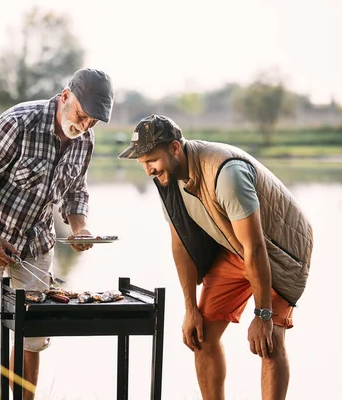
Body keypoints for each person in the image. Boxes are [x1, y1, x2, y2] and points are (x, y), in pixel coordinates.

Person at [118, 114, 313, 400]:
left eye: (151, 160)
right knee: (201, 336)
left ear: (174, 148)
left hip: (279, 253)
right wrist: (190, 309)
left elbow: (256, 248)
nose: (147, 170)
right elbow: (180, 244)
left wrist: (263, 314)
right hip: (235, 247)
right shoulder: (167, 178)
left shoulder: (226, 173)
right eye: (142, 163)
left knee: (268, 341)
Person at [0, 68, 114, 399]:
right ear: (65, 96)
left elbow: (76, 192)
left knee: (33, 337)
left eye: (92, 121)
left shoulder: (86, 141)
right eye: (82, 115)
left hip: (37, 243)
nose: (84, 126)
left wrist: (80, 226)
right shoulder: (18, 122)